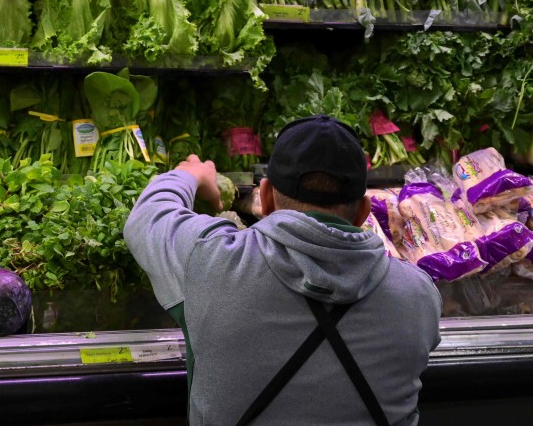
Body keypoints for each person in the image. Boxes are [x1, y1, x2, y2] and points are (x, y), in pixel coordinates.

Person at [125, 114, 442, 426]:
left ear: (265, 197)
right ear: (363, 211)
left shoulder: (211, 260)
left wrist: (190, 173)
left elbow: (148, 215)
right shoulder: (418, 295)